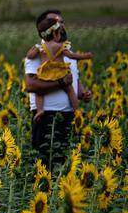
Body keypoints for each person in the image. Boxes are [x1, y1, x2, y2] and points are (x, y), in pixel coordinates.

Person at [23, 10, 90, 169]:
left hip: (71, 117)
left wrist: (83, 93)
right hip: (46, 116)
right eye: (55, 22)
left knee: (70, 165)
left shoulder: (68, 52)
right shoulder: (38, 53)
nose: (60, 25)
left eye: (61, 21)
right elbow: (30, 85)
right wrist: (61, 83)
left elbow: (73, 80)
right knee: (45, 167)